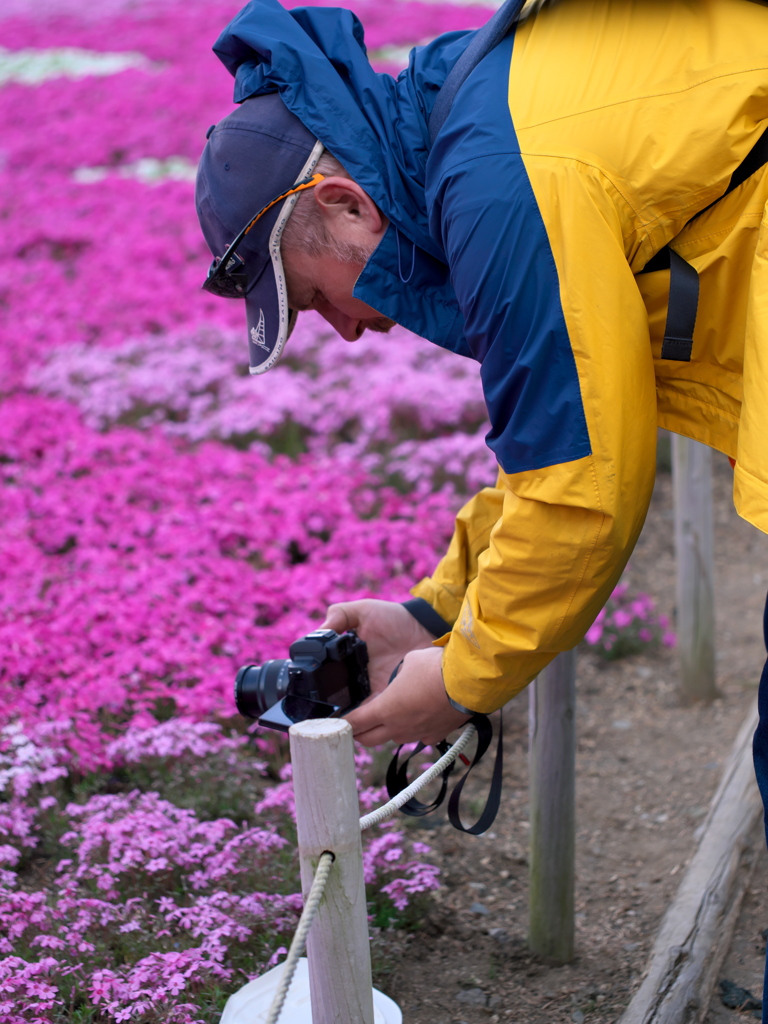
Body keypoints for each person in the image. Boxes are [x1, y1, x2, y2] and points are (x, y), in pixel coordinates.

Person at [196, 0, 768, 952]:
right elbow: (562, 440)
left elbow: (579, 484)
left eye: (312, 294)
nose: (339, 327)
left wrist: (460, 681)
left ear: (344, 205)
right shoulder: (477, 129)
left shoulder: (500, 188)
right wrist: (430, 616)